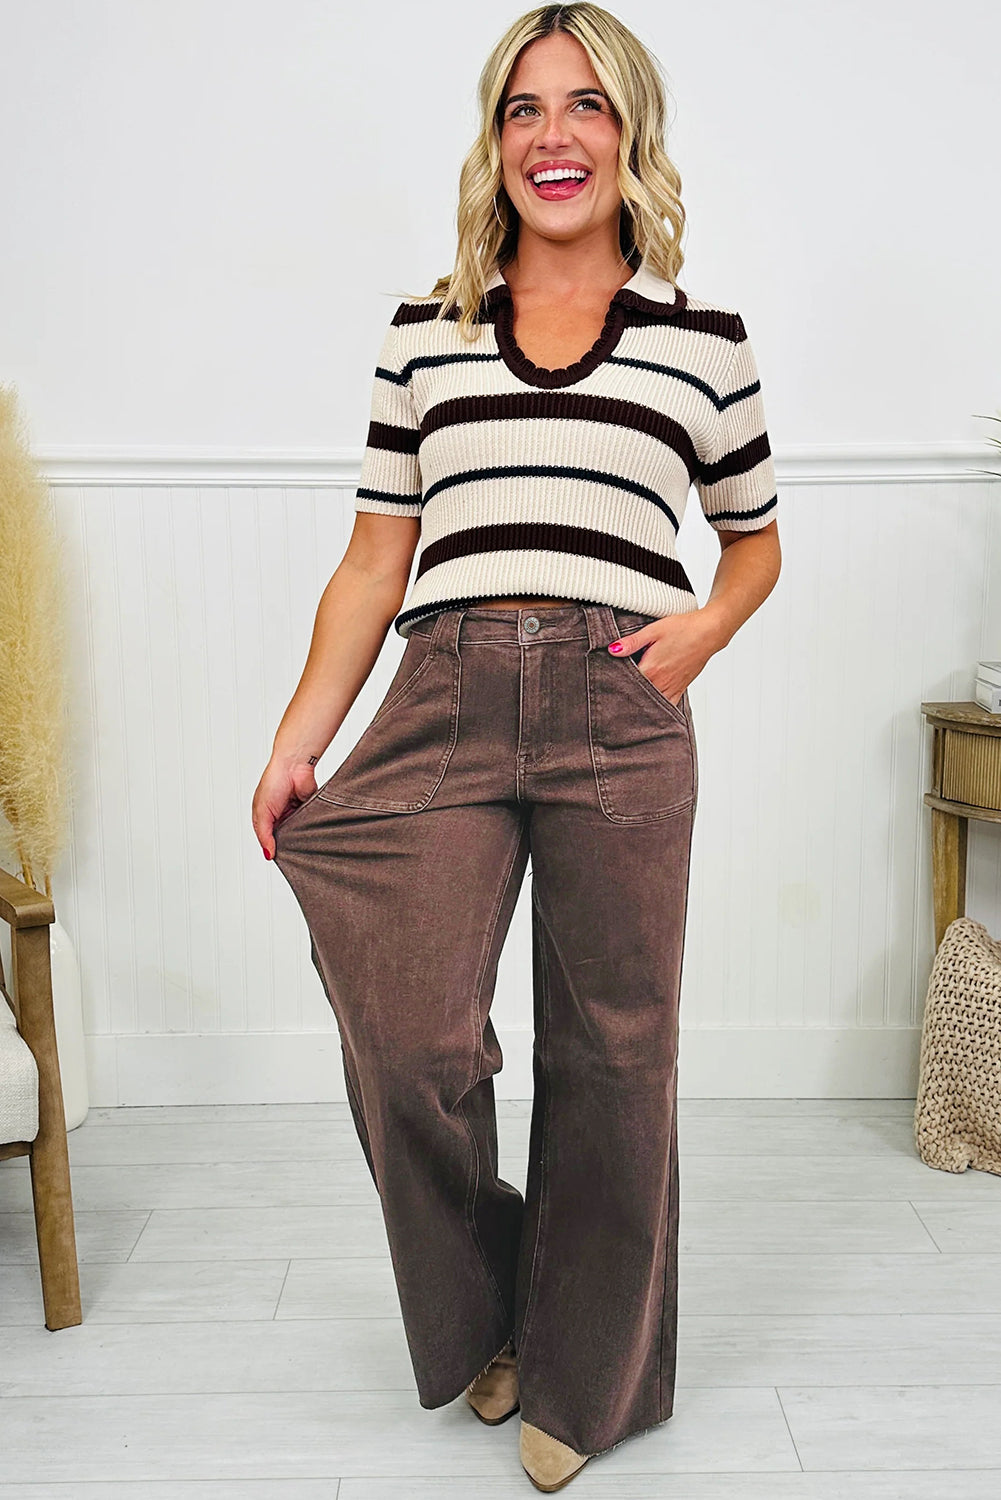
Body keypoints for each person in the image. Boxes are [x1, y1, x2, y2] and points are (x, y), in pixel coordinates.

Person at [252, 3, 781, 1490]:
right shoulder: (423, 334)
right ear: (495, 143)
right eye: (523, 108)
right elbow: (373, 562)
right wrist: (299, 739)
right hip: (446, 687)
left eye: (586, 104)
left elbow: (753, 544)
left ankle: (581, 1376)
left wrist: (701, 633)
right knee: (413, 1035)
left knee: (616, 1053)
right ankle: (498, 1304)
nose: (555, 135)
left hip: (621, 701)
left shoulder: (703, 342)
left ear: (631, 133)